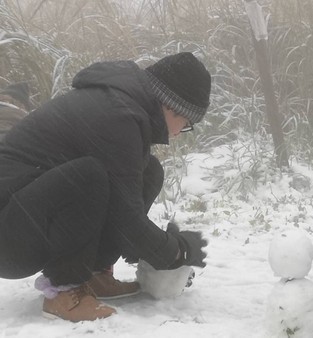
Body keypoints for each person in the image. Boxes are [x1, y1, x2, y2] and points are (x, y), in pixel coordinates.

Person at [0, 52, 210, 322]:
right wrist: (177, 251)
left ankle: (93, 272)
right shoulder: (117, 116)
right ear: (172, 106)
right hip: (9, 240)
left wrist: (162, 249)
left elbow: (124, 206)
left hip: (23, 221)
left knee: (148, 171)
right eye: (187, 123)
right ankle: (64, 292)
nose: (182, 131)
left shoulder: (121, 108)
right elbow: (128, 223)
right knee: (89, 176)